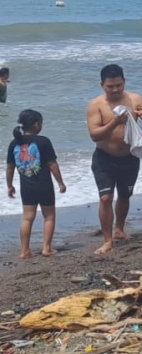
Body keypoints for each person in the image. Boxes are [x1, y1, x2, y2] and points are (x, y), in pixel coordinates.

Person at [86, 64, 142, 255]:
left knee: (125, 196)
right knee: (105, 197)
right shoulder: (96, 105)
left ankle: (120, 229)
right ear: (102, 85)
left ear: (124, 81)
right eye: (111, 86)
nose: (116, 89)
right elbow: (94, 135)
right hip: (104, 157)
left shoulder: (135, 100)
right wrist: (115, 122)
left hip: (129, 156)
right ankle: (107, 240)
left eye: (119, 85)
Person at [6, 109, 66, 259]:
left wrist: (10, 185)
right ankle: (47, 248)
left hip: (26, 187)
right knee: (49, 216)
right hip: (44, 185)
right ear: (36, 124)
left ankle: (24, 251)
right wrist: (60, 183)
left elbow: (10, 167)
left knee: (27, 218)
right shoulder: (43, 141)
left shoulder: (14, 143)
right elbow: (52, 164)